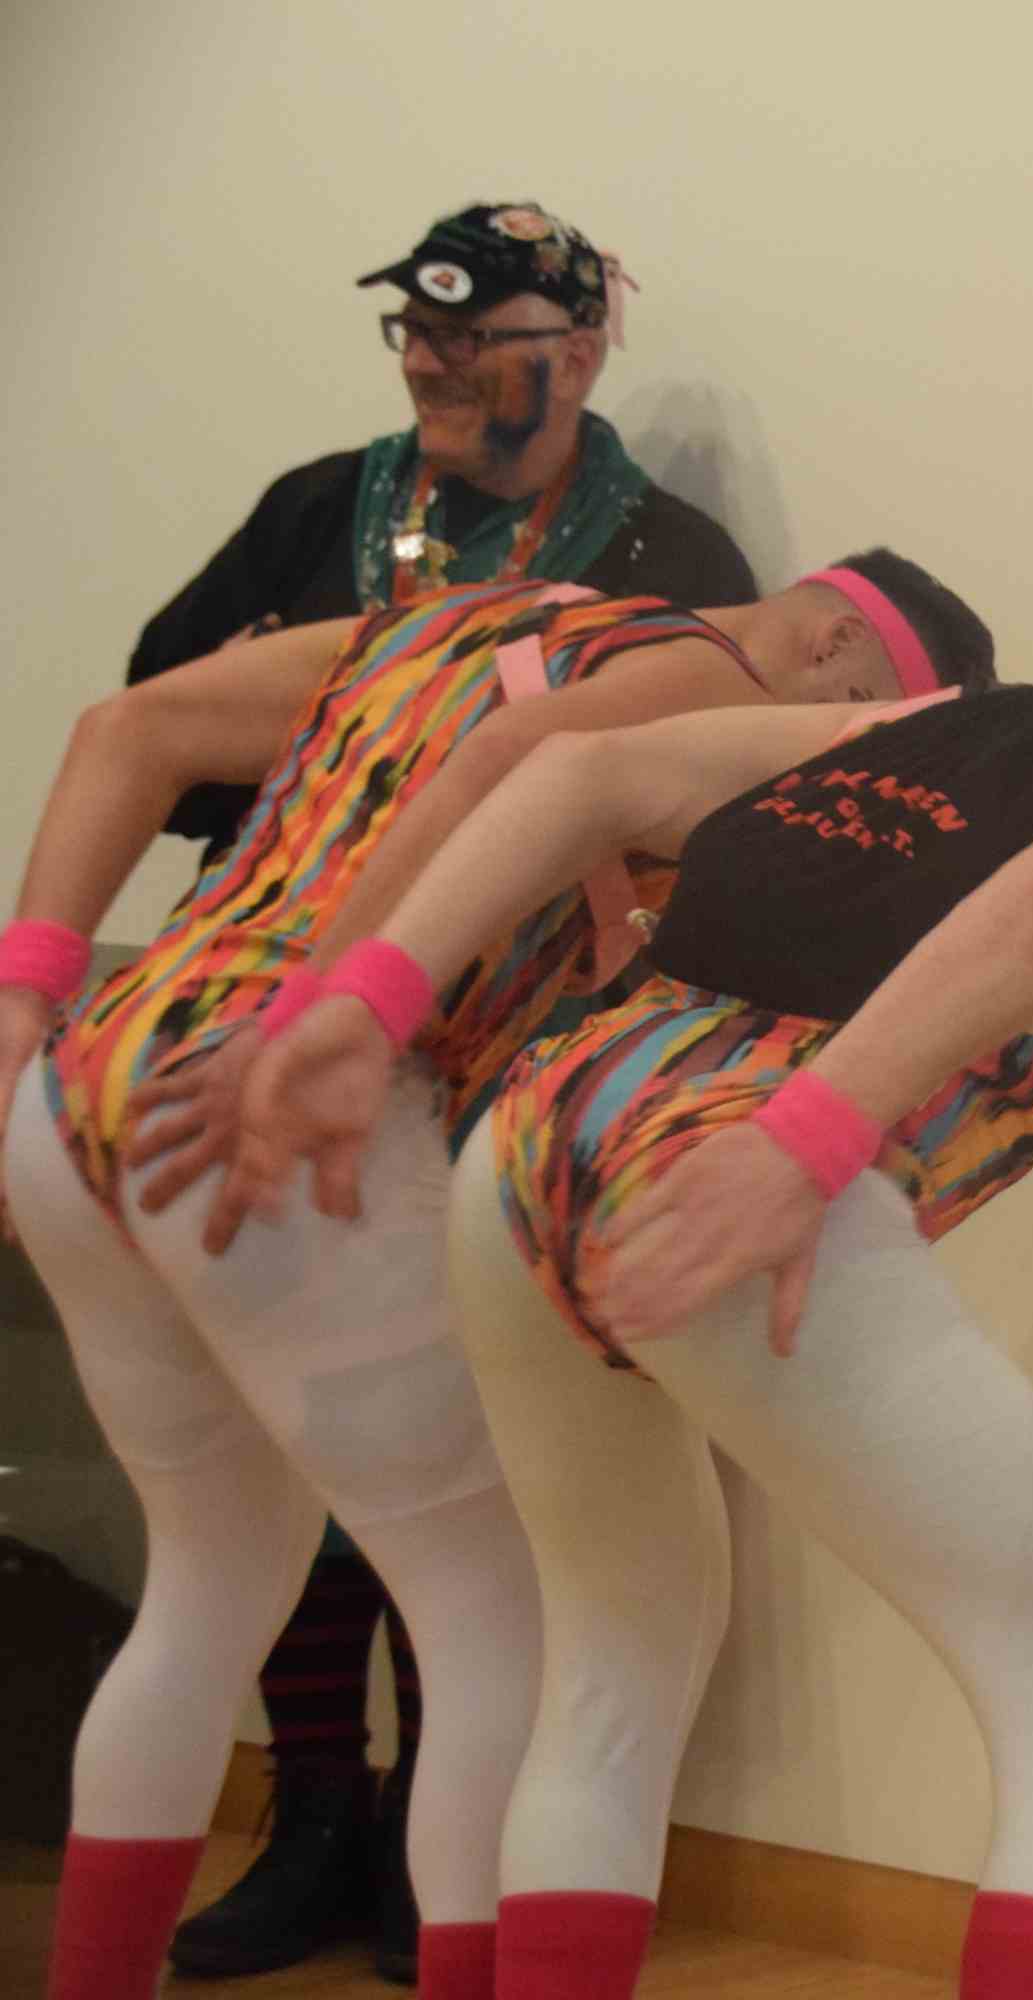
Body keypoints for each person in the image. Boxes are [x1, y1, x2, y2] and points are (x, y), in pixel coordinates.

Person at [235, 457, 1033, 2000]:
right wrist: (806, 1140)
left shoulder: (907, 728)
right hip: (719, 1178)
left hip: (529, 1150)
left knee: (614, 1667)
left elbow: (579, 776)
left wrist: (371, 995)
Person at [9, 554, 988, 2000]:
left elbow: (126, 729)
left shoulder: (460, 617)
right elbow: (519, 761)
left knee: (207, 1590)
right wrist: (323, 1010)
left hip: (91, 1076)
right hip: (274, 1105)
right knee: (515, 1628)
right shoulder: (704, 671)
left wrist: (21, 1001)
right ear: (837, 642)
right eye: (858, 732)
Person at [127, 197, 755, 1985]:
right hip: (282, 1017)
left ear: (583, 346)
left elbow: (695, 807)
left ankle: (437, 1839)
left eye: (476, 337)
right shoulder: (321, 506)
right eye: (414, 330)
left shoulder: (673, 559)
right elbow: (160, 712)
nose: (432, 363)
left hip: (500, 1043)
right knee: (295, 1438)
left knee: (465, 1459)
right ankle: (313, 1807)